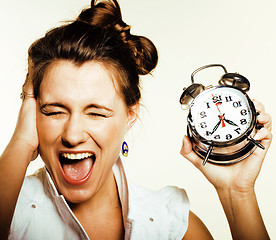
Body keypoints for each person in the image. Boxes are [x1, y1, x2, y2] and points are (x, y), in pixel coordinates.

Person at [0, 0, 272, 239]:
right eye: (54, 111)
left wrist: (237, 193)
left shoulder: (170, 225)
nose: (72, 135)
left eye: (96, 112)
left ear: (130, 117)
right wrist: (21, 144)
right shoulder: (13, 210)